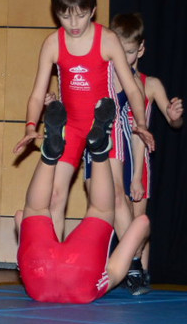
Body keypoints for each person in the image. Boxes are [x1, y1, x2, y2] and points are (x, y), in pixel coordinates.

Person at [13, 0, 155, 240]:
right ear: (56, 13)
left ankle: (132, 258)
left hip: (105, 124)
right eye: (66, 16)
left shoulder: (107, 40)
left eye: (80, 15)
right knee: (54, 196)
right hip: (72, 127)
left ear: (93, 10)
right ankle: (54, 257)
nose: (74, 23)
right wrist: (31, 127)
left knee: (115, 195)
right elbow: (37, 95)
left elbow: (133, 88)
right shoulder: (53, 44)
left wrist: (141, 123)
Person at [15, 97, 150, 303]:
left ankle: (100, 153)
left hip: (82, 276)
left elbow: (142, 222)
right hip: (39, 275)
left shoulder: (98, 283)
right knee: (35, 209)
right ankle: (48, 157)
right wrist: (26, 237)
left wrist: (143, 233)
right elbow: (20, 216)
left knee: (100, 211)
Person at [107, 12, 185, 294]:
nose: (124, 57)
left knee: (138, 220)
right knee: (118, 215)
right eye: (119, 51)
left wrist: (174, 116)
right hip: (114, 151)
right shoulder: (108, 79)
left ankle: (141, 272)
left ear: (141, 49)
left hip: (138, 158)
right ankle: (132, 270)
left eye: (129, 52)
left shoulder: (150, 84)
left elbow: (174, 122)